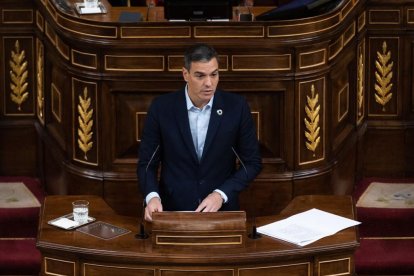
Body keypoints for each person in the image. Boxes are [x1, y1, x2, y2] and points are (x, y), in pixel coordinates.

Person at [137, 43, 262, 221]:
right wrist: (152, 196)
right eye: (200, 76)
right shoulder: (161, 108)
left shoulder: (236, 107)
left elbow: (252, 163)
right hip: (172, 211)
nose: (209, 83)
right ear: (185, 74)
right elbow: (147, 164)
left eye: (214, 74)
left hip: (221, 212)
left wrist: (221, 194)